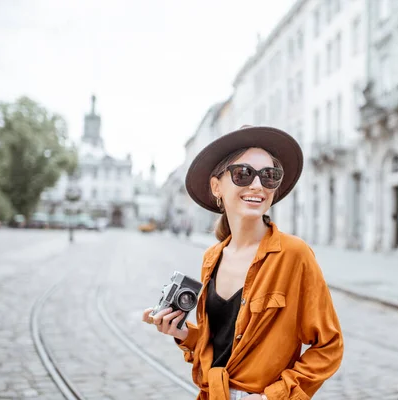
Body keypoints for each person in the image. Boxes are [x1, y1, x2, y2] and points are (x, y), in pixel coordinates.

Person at [143, 125, 343, 400]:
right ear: (217, 186)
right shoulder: (211, 258)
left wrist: (275, 396)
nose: (258, 185)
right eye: (243, 174)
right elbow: (218, 342)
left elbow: (329, 346)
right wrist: (182, 334)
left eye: (269, 176)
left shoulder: (295, 255)